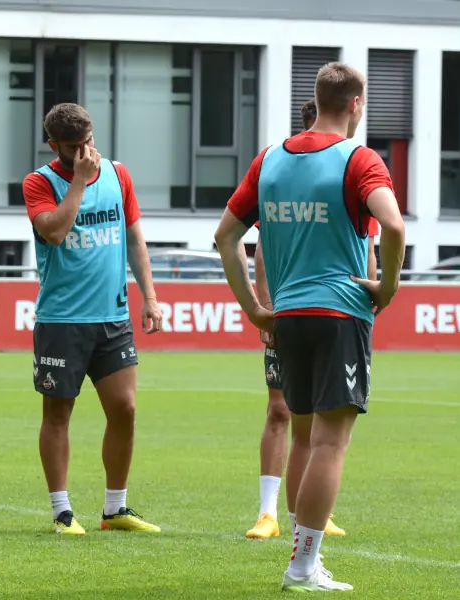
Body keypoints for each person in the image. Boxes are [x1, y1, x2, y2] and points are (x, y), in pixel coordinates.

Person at [214, 62, 405, 592]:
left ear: (317, 99)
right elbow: (391, 224)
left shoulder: (270, 160)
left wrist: (254, 308)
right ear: (357, 104)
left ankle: (303, 556)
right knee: (329, 444)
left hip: (288, 319)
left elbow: (225, 236)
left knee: (302, 438)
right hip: (339, 312)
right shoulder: (358, 159)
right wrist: (387, 288)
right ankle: (301, 567)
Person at [21, 103, 163, 536]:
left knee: (125, 409)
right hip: (62, 321)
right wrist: (79, 183)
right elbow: (55, 232)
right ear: (53, 146)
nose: (84, 151)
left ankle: (115, 509)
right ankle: (62, 512)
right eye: (72, 147)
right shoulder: (38, 183)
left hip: (113, 317)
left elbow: (134, 236)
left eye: (88, 142)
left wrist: (150, 297)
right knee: (58, 415)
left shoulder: (119, 175)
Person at [244, 97, 380, 541]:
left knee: (313, 425)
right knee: (284, 412)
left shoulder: (350, 176)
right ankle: (270, 514)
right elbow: (261, 246)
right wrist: (262, 307)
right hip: (299, 312)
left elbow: (369, 249)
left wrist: (373, 300)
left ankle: (307, 517)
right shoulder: (287, 169)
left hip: (326, 312)